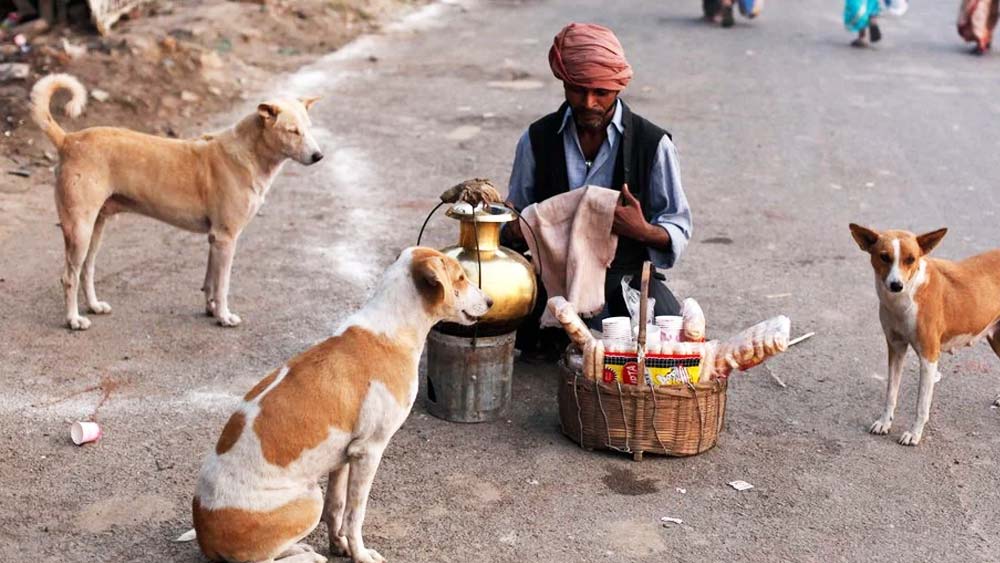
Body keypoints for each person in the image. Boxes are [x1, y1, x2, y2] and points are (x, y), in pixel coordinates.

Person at [504, 22, 693, 360]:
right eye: (577, 90)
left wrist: (643, 230)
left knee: (666, 343)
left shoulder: (653, 145)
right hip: (553, 279)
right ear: (563, 82)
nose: (588, 102)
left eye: (600, 93)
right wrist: (515, 227)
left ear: (618, 88)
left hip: (623, 277)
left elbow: (677, 225)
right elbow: (514, 216)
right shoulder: (537, 139)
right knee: (490, 317)